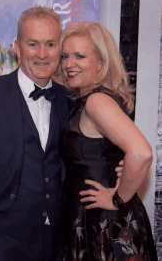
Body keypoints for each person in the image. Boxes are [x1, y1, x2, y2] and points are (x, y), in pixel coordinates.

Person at [0, 7, 123, 261]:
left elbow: (90, 152)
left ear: (59, 47)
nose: (41, 54)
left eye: (50, 44)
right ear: (17, 46)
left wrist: (120, 171)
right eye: (32, 44)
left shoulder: (69, 99)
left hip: (55, 244)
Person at [59, 22, 158, 261]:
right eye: (65, 56)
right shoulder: (88, 99)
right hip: (97, 220)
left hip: (106, 224)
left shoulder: (96, 102)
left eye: (80, 56)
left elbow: (141, 153)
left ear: (101, 62)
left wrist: (116, 199)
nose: (69, 64)